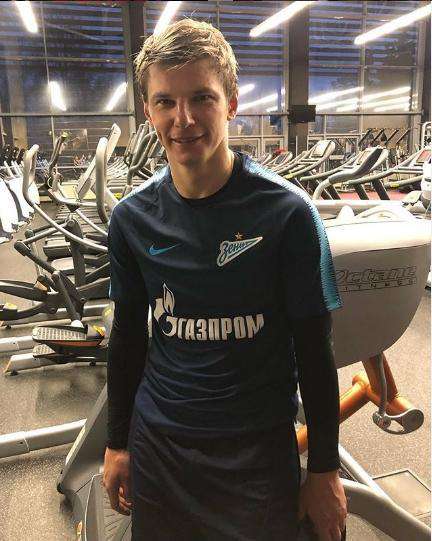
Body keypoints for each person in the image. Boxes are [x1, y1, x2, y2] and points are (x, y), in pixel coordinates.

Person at [103, 18, 347, 541]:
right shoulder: (131, 219)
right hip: (161, 445)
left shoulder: (288, 214)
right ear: (147, 111)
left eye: (202, 98)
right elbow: (127, 340)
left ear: (231, 103)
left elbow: (315, 350)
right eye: (165, 102)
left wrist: (325, 469)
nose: (184, 118)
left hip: (255, 452)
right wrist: (116, 442)